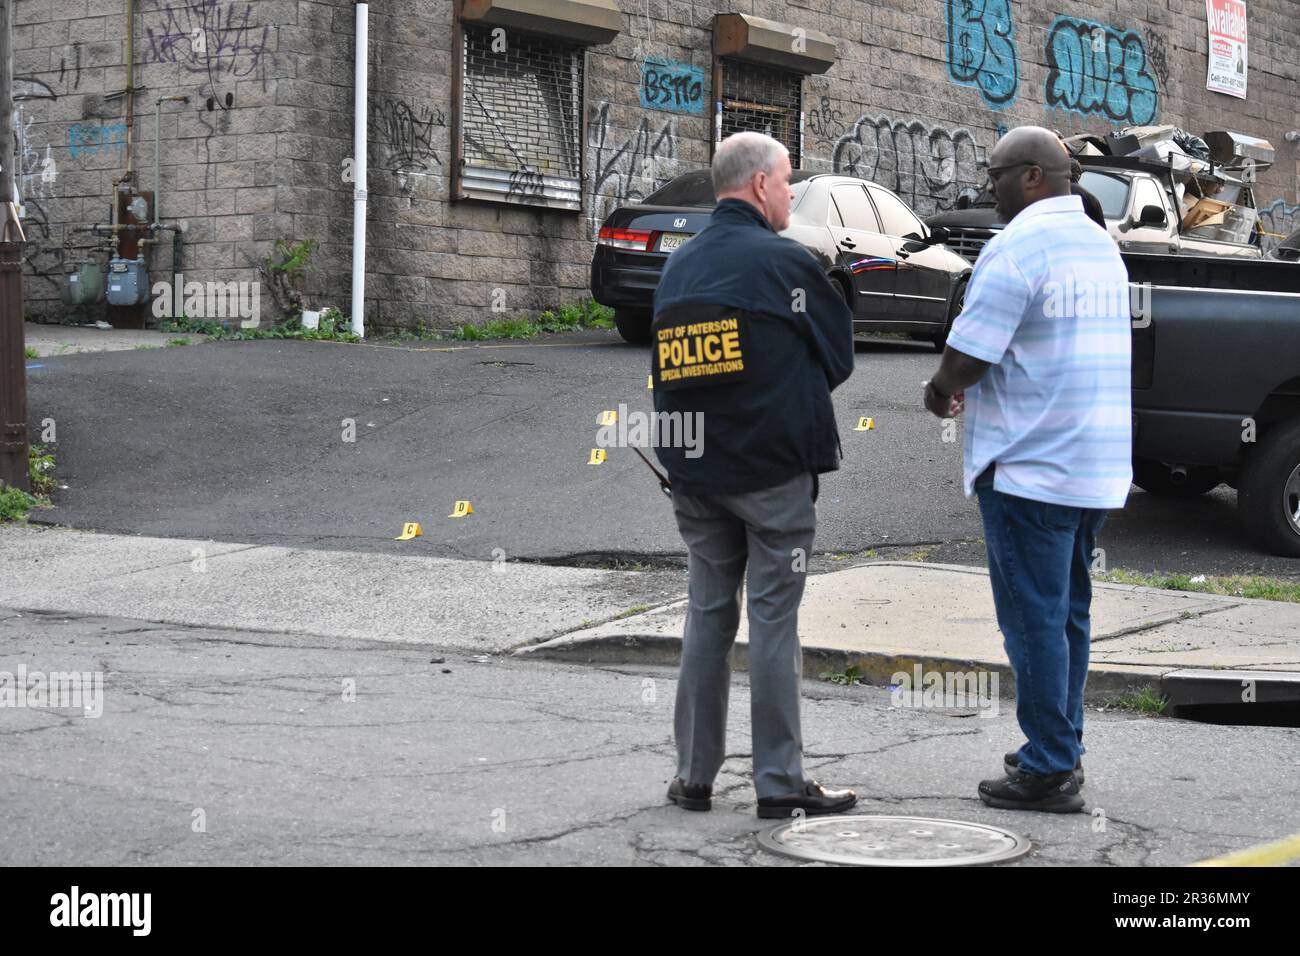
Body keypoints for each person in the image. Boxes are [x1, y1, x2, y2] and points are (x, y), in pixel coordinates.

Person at [923, 126, 1132, 813]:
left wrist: (938, 390)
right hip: (1093, 466)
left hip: (1028, 468)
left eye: (997, 174)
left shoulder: (1017, 246)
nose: (990, 187)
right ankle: (1060, 747)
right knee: (1067, 613)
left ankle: (1047, 768)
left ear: (1035, 176)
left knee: (1033, 620)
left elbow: (969, 355)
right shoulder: (1101, 245)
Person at [652, 131, 857, 819]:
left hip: (694, 476)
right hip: (771, 476)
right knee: (773, 618)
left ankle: (693, 777)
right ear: (762, 184)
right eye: (789, 179)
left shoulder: (678, 268)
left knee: (708, 614)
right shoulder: (783, 261)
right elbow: (839, 356)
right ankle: (779, 782)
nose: (793, 192)